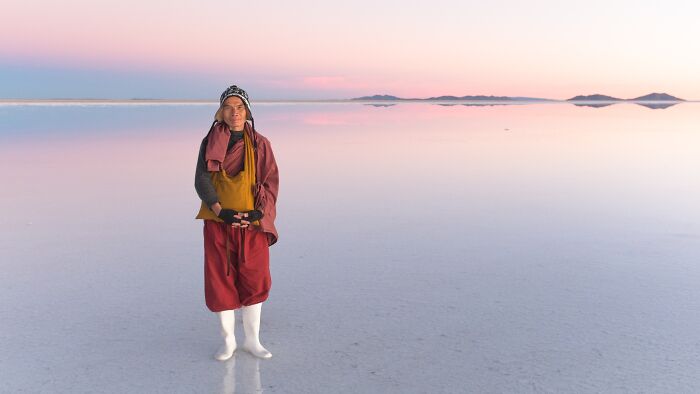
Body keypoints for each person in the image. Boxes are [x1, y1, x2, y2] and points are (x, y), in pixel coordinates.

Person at [194, 85, 279, 360]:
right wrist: (221, 211)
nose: (235, 113)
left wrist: (258, 213)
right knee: (221, 280)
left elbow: (269, 181)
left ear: (248, 111)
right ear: (221, 112)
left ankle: (252, 340)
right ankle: (229, 341)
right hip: (219, 223)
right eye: (229, 107)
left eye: (239, 107)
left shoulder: (260, 143)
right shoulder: (210, 143)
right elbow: (202, 180)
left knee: (255, 279)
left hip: (251, 226)